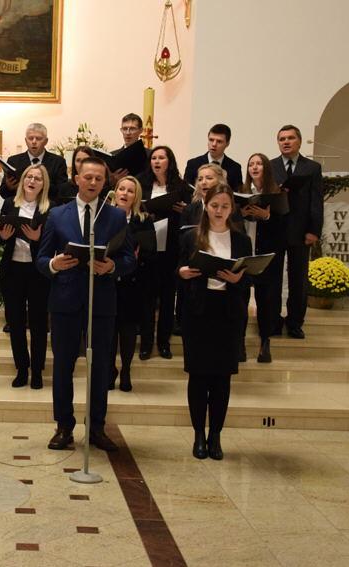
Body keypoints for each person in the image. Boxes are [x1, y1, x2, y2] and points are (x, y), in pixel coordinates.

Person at [36, 156, 136, 452]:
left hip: (101, 302)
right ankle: (63, 427)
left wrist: (112, 267)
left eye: (99, 179)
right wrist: (54, 264)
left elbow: (128, 259)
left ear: (105, 183)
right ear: (76, 178)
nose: (93, 182)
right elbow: (41, 259)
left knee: (101, 367)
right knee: (63, 367)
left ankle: (96, 428)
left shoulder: (115, 216)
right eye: (88, 177)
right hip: (65, 301)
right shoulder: (57, 215)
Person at [178, 185, 252, 460]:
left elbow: (250, 275)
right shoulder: (191, 236)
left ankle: (216, 436)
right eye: (214, 206)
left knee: (222, 378)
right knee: (198, 376)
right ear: (206, 206)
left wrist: (239, 279)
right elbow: (176, 270)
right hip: (198, 311)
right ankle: (199, 434)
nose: (219, 211)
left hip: (228, 312)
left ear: (232, 209)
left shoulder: (241, 240)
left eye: (225, 206)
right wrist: (182, 272)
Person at [0, 164, 52, 390]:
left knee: (38, 324)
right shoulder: (10, 203)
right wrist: (2, 236)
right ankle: (21, 368)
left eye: (37, 178)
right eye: (29, 176)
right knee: (15, 323)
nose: (32, 181)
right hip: (13, 271)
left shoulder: (50, 209)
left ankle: (37, 371)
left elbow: (53, 243)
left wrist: (37, 239)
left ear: (43, 184)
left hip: (37, 272)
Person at [270, 125, 324, 340]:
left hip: (301, 231)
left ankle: (295, 323)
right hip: (275, 229)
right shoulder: (271, 165)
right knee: (273, 279)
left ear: (299, 141)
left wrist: (314, 230)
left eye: (290, 138)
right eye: (282, 138)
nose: (286, 142)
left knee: (298, 279)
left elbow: (316, 201)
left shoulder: (312, 167)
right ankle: (273, 321)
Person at [137, 146, 191, 360]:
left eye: (161, 158)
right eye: (154, 158)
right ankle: (146, 343)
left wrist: (185, 211)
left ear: (170, 161)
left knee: (168, 299)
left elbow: (192, 214)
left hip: (171, 248)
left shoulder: (181, 186)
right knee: (146, 299)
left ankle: (163, 342)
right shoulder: (142, 183)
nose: (157, 161)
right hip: (147, 248)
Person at [107, 176, 156, 392]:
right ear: (115, 192)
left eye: (130, 191)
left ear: (136, 196)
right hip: (108, 281)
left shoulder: (143, 220)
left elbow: (152, 252)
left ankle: (126, 369)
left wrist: (138, 256)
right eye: (121, 189)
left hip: (133, 283)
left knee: (127, 331)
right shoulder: (104, 217)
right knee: (109, 331)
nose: (125, 194)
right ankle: (110, 370)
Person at [242, 153, 287, 362]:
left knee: (266, 299)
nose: (254, 167)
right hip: (245, 252)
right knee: (241, 299)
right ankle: (239, 344)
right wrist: (240, 214)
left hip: (266, 254)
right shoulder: (242, 191)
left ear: (266, 168)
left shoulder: (277, 193)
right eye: (251, 164)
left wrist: (267, 216)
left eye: (259, 164)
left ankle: (265, 343)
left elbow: (284, 228)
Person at [0, 123, 68, 201]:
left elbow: (62, 192)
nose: (34, 142)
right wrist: (8, 187)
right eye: (30, 138)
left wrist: (40, 184)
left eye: (38, 138)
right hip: (20, 206)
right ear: (26, 140)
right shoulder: (14, 161)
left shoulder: (58, 162)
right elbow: (3, 193)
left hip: (48, 206)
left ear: (46, 141)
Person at [183, 124, 243, 189]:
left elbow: (236, 193)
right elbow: (186, 190)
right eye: (211, 140)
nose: (214, 144)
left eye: (219, 141)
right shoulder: (193, 164)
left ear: (227, 144)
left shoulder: (235, 168)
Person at [108, 113, 148, 186]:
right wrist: (112, 180)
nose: (128, 133)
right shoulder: (112, 155)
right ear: (121, 130)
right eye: (125, 129)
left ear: (141, 130)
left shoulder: (150, 155)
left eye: (132, 129)